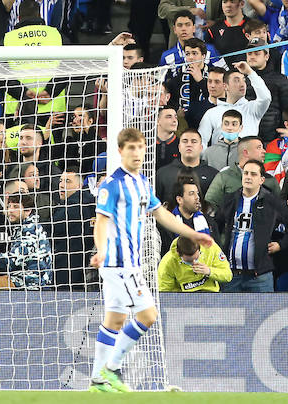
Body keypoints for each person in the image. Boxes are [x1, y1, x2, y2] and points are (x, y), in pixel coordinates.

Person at [88, 127, 213, 393]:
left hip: (128, 263)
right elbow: (101, 222)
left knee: (114, 320)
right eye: (130, 148)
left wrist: (192, 233)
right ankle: (110, 369)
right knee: (148, 314)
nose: (136, 152)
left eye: (140, 147)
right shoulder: (112, 185)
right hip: (118, 263)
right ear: (120, 151)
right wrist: (101, 249)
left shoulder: (143, 183)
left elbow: (162, 215)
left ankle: (98, 381)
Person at [157, 233, 232, 293]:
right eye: (188, 261)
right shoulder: (167, 263)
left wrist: (209, 271)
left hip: (211, 296)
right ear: (178, 253)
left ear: (199, 249)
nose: (193, 263)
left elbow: (228, 275)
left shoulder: (210, 247)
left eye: (196, 258)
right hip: (183, 301)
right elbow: (165, 292)